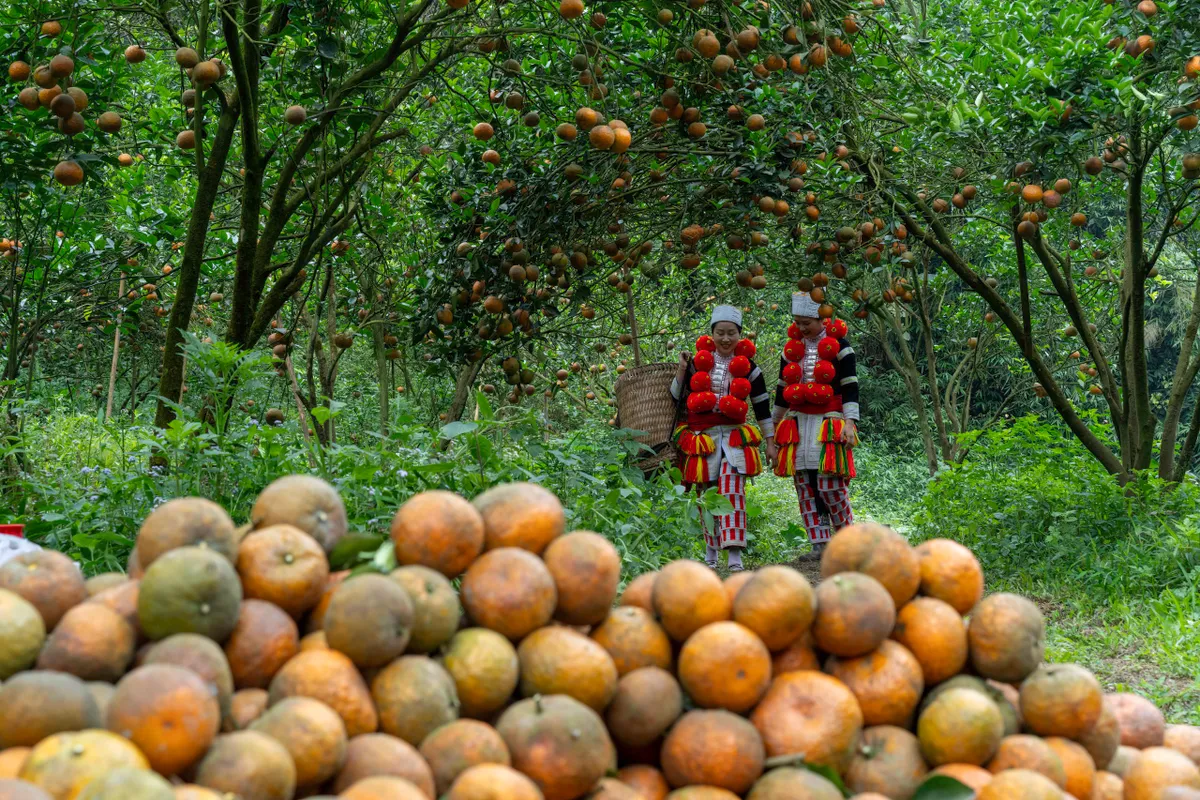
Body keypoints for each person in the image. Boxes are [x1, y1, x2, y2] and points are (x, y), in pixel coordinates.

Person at [670, 305, 774, 571]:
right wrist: (682, 369)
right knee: (708, 493)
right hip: (702, 439)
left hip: (733, 439)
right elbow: (674, 395)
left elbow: (762, 407)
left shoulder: (750, 368)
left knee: (733, 492)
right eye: (720, 333)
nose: (726, 339)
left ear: (740, 336)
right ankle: (711, 553)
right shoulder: (696, 363)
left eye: (731, 333)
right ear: (711, 334)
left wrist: (770, 441)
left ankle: (735, 556)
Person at [770, 290, 859, 560]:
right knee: (804, 484)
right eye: (797, 322)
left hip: (829, 421)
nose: (801, 328)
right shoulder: (790, 351)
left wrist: (849, 422)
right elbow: (782, 388)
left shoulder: (841, 347)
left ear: (822, 319)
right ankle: (818, 544)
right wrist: (772, 428)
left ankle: (846, 540)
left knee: (829, 483)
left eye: (805, 322)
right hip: (797, 422)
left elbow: (850, 387)